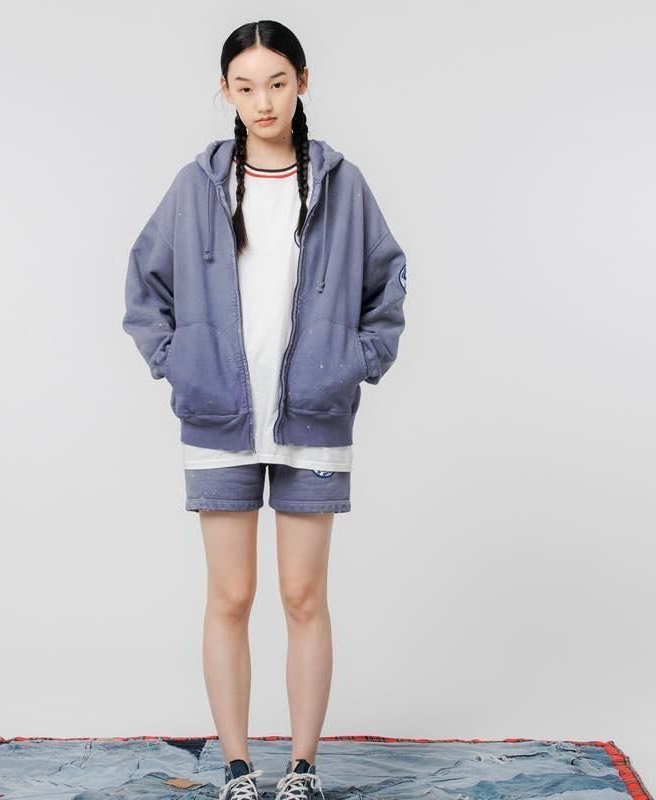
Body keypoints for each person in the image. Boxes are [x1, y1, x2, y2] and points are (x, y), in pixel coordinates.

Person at [122, 19, 408, 800]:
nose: (263, 101)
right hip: (219, 415)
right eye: (245, 87)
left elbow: (386, 282)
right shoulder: (198, 186)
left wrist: (356, 361)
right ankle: (238, 768)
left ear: (302, 82)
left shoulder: (342, 185)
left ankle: (303, 768)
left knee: (303, 596)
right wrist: (178, 362)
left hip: (314, 413)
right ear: (226, 92)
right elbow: (145, 282)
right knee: (231, 596)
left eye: (277, 83)